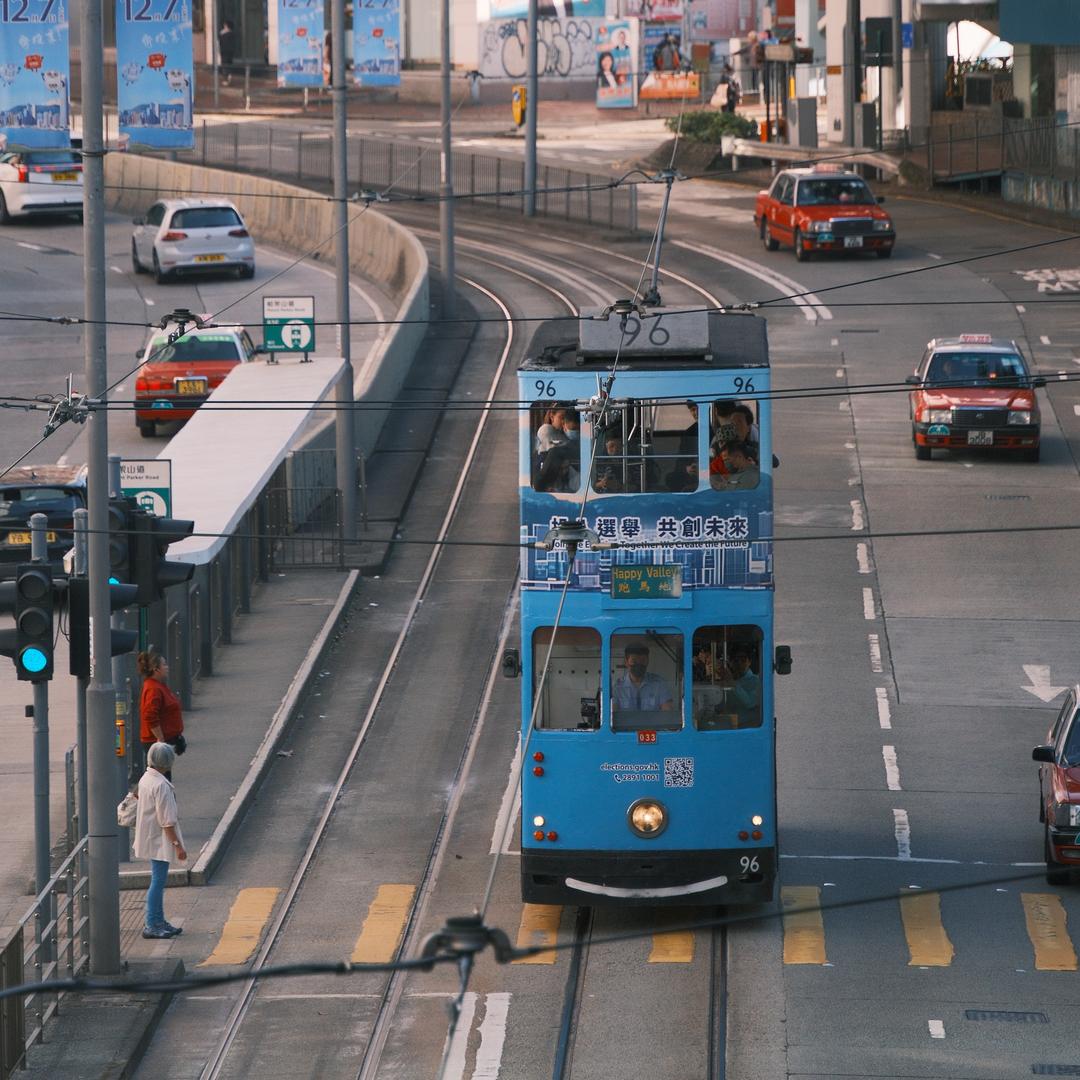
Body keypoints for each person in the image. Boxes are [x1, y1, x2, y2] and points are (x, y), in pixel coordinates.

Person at [133, 742, 187, 939]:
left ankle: (158, 920)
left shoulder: (146, 778)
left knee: (157, 879)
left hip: (149, 835)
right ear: (167, 762)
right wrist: (178, 846)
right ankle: (152, 923)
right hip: (159, 838)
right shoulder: (161, 786)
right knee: (158, 880)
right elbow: (167, 822)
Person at [139, 650, 183, 781]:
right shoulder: (153, 689)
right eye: (164, 664)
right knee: (161, 782)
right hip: (156, 742)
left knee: (163, 780)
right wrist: (161, 740)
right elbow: (150, 715)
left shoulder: (158, 686)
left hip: (162, 740)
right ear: (156, 669)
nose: (167, 667)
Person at [612, 642, 674, 714]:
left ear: (648, 661)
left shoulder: (659, 684)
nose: (639, 664)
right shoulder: (618, 687)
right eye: (634, 661)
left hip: (653, 725)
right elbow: (613, 716)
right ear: (626, 662)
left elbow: (668, 714)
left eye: (643, 661)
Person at [716, 646, 761, 726]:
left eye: (743, 660)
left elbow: (750, 702)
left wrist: (732, 682)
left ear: (749, 662)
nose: (739, 663)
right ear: (731, 663)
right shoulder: (728, 681)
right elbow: (721, 706)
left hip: (748, 727)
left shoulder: (756, 681)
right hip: (728, 725)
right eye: (736, 660)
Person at [218, 19, 236, 86]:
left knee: (225, 65)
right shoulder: (232, 34)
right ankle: (229, 77)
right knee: (228, 64)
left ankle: (226, 79)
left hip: (225, 52)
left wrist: (221, 34)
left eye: (225, 25)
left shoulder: (224, 34)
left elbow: (221, 42)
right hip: (230, 52)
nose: (224, 26)